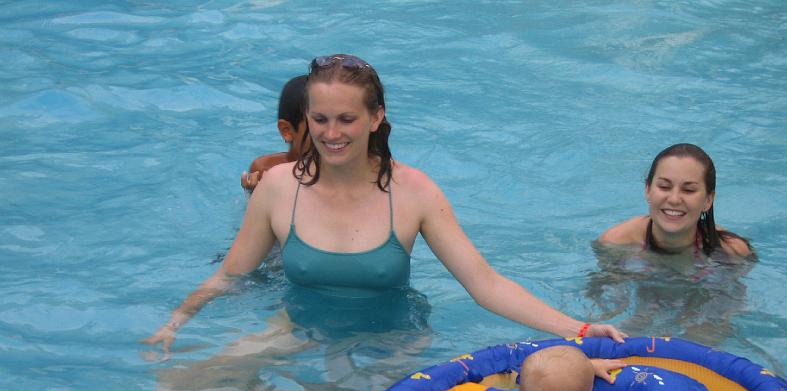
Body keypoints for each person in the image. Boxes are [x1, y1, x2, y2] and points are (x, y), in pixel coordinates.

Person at [142, 54, 624, 355]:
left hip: (393, 342)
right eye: (320, 119)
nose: (332, 134)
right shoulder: (277, 186)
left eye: (347, 118)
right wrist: (175, 322)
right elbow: (230, 275)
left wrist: (577, 329)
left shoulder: (415, 192)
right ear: (304, 120)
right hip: (298, 328)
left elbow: (485, 284)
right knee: (181, 383)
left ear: (376, 117)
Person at [597, 143, 753, 257]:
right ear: (647, 190)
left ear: (708, 200)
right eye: (664, 187)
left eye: (688, 190)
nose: (674, 199)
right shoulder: (614, 244)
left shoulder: (734, 252)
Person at [240, 75, 308, 191]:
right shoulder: (265, 170)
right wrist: (256, 194)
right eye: (319, 121)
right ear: (287, 131)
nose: (331, 133)